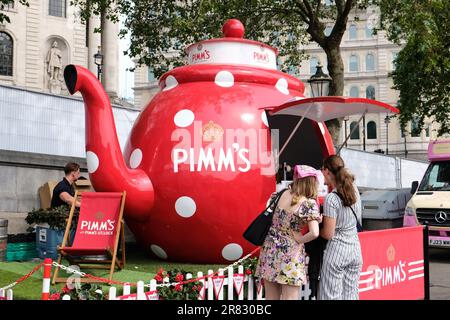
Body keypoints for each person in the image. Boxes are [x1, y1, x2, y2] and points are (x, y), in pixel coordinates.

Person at [255, 165, 322, 300]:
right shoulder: (308, 203)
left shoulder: (280, 194)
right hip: (291, 254)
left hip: (270, 250)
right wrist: (300, 239)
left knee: (270, 298)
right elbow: (315, 233)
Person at [318, 155, 363, 300]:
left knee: (330, 296)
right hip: (355, 250)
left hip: (337, 252)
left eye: (322, 169)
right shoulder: (354, 189)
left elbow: (328, 234)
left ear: (327, 171)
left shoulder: (331, 198)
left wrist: (317, 227)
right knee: (351, 295)